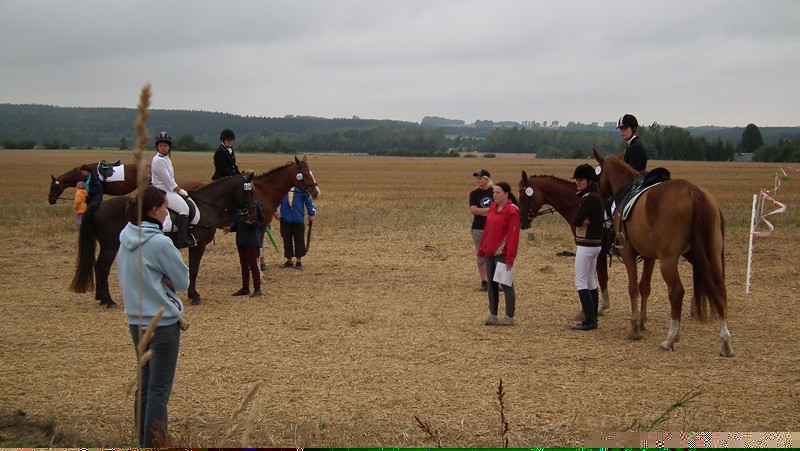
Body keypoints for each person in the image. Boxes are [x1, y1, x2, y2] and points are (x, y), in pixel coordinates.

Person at [117, 185, 190, 447]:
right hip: (162, 324)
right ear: (154, 210)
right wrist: (165, 279)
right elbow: (183, 281)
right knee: (159, 389)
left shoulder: (125, 235)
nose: (167, 212)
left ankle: (143, 441)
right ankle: (155, 443)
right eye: (164, 207)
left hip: (135, 321)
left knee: (145, 385)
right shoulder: (160, 243)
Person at [477, 182, 520, 326]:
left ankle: (509, 317)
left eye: (498, 192)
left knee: (506, 285)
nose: (494, 195)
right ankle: (493, 315)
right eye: (494, 192)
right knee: (492, 285)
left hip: (502, 253)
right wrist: (482, 249)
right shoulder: (492, 208)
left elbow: (513, 236)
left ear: (506, 194)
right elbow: (487, 230)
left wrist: (510, 258)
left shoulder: (512, 211)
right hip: (489, 253)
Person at [570, 164, 605, 331]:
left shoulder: (588, 198)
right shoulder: (596, 196)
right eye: (577, 179)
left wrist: (578, 221)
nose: (578, 182)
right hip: (595, 244)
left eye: (581, 179)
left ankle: (589, 320)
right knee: (591, 280)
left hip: (586, 244)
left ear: (590, 180)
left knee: (580, 281)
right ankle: (593, 318)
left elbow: (576, 220)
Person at [151, 131, 193, 248]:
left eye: (165, 145)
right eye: (161, 145)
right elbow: (168, 180)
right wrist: (179, 190)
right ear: (157, 147)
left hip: (167, 189)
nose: (163, 148)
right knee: (184, 209)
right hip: (162, 190)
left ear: (169, 147)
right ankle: (183, 240)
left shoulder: (166, 158)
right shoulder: (158, 160)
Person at [224, 201, 265, 298]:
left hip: (252, 239)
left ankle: (257, 289)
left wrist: (253, 223)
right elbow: (238, 221)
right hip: (241, 239)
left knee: (253, 264)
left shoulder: (255, 205)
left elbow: (261, 222)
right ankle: (245, 288)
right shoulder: (241, 206)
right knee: (243, 264)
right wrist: (231, 228)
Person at [274, 186, 316, 269]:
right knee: (287, 240)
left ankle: (298, 261)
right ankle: (289, 260)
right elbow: (276, 200)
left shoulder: (302, 189)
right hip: (285, 219)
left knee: (299, 240)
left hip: (298, 219)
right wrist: (274, 211)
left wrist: (311, 213)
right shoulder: (283, 189)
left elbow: (308, 201)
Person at [469, 169, 494, 291]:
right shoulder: (474, 194)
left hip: (493, 228)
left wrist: (481, 211)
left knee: (495, 255)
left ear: (487, 179)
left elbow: (500, 209)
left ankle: (495, 281)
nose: (478, 180)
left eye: (480, 178)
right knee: (481, 255)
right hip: (478, 228)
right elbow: (473, 210)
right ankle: (484, 281)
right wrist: (490, 210)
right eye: (477, 178)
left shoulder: (495, 192)